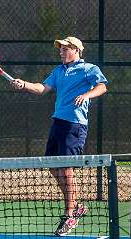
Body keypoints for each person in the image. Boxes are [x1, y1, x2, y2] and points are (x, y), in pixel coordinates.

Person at [10, 36, 108, 236]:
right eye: (60, 49)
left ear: (76, 50)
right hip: (58, 123)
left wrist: (86, 95)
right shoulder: (58, 71)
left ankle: (70, 214)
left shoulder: (88, 69)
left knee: (66, 169)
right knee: (53, 167)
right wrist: (24, 84)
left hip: (75, 125)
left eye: (65, 49)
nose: (61, 52)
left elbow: (102, 86)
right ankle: (77, 206)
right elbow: (41, 89)